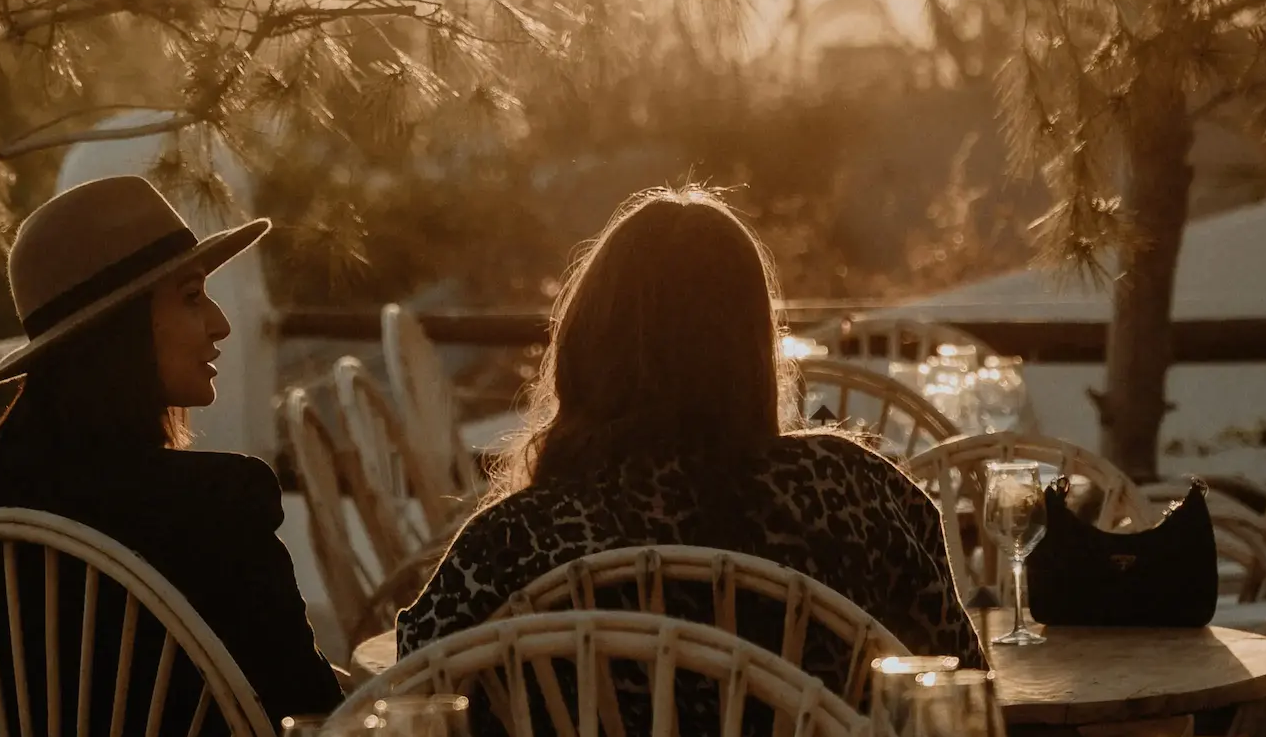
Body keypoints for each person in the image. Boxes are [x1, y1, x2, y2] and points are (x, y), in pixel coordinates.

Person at [396, 183, 988, 672]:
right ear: (754, 349)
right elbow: (963, 706)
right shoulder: (858, 495)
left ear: (586, 343)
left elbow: (414, 713)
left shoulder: (513, 542)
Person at [0, 172, 340, 737]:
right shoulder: (217, 506)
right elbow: (309, 721)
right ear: (120, 327)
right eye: (191, 297)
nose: (220, 323)